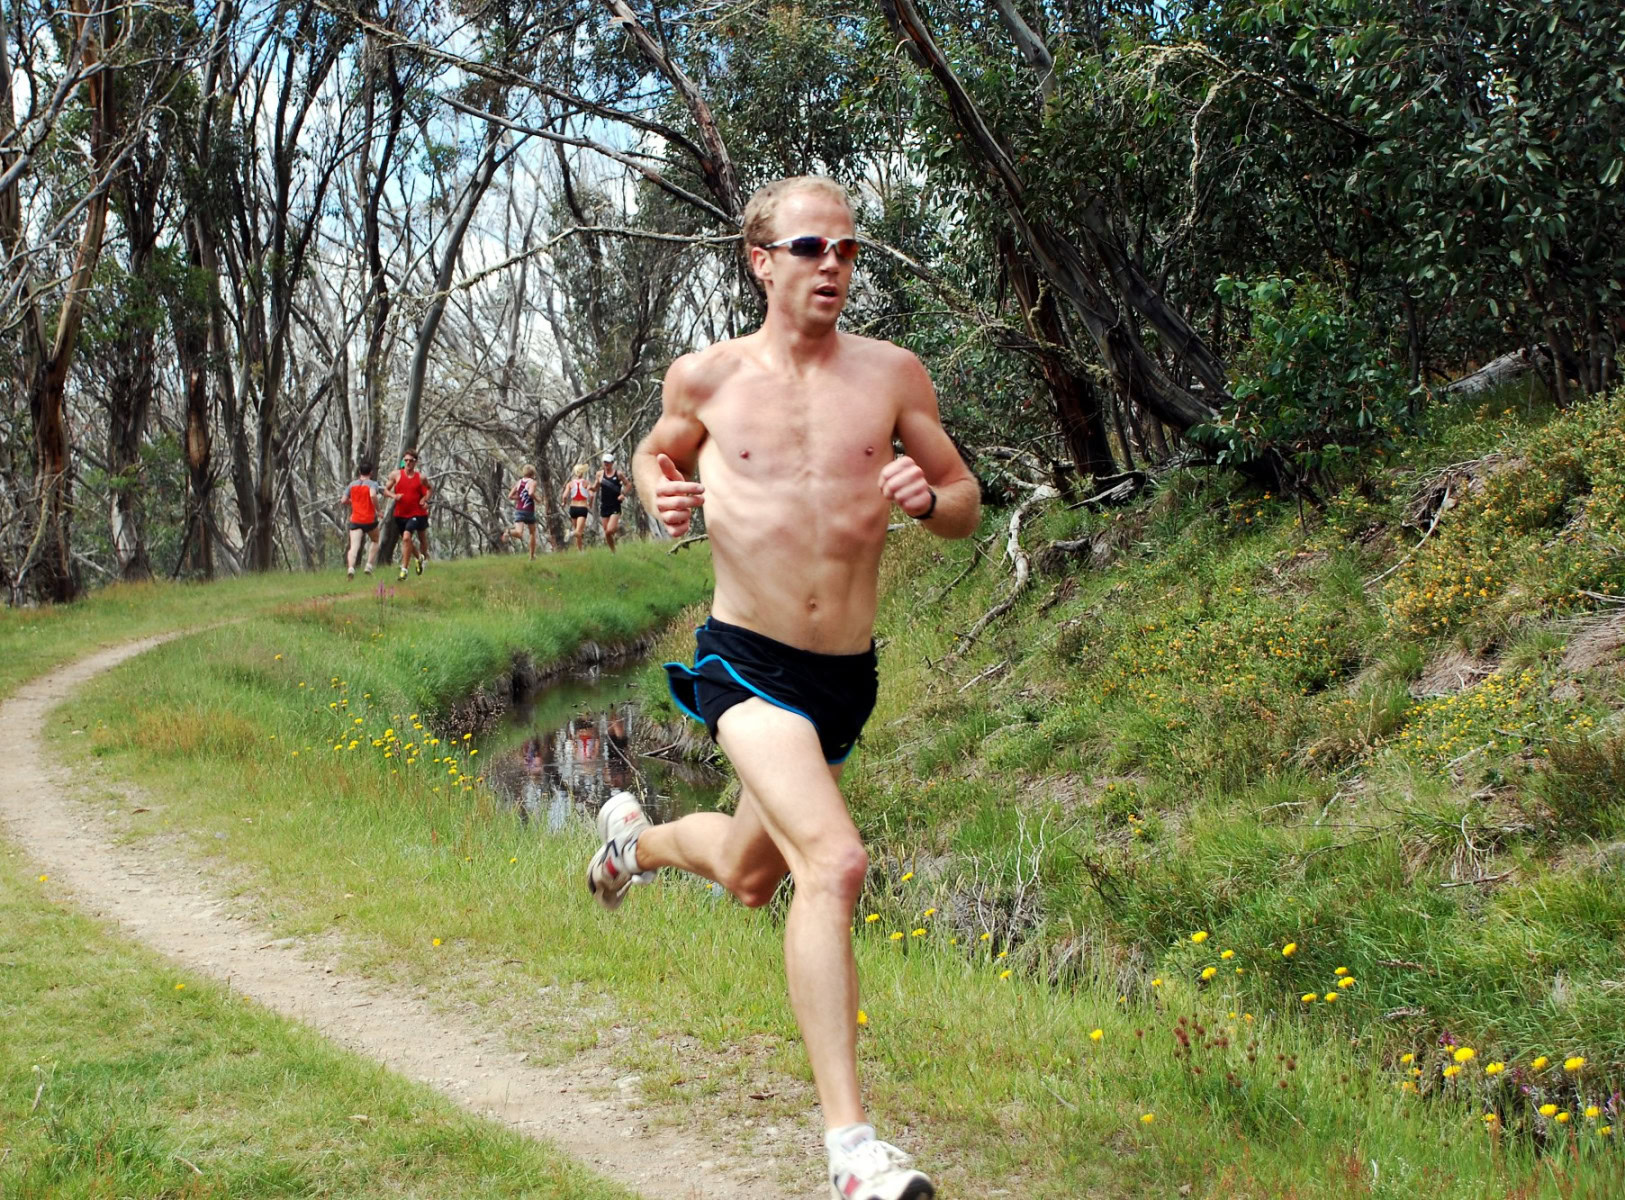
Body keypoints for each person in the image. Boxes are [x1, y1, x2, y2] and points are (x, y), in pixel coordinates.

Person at [585, 175, 978, 1200]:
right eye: (812, 249)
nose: (835, 267)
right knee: (834, 864)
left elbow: (964, 503)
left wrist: (927, 496)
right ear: (760, 261)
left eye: (849, 252)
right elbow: (654, 453)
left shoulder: (893, 375)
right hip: (743, 662)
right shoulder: (706, 378)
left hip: (844, 678)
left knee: (754, 875)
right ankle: (850, 1152)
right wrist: (655, 487)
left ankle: (629, 842)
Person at [387, 448, 433, 579]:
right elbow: (385, 490)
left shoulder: (421, 478)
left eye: (411, 461)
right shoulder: (396, 475)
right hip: (400, 514)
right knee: (407, 541)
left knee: (412, 537)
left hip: (417, 513)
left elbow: (429, 489)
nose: (408, 463)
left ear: (415, 462)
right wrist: (394, 496)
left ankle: (404, 570)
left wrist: (425, 500)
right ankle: (419, 558)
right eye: (405, 460)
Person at [341, 462, 384, 579]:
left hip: (356, 520)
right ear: (371, 472)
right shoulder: (372, 484)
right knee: (375, 540)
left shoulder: (352, 485)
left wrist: (353, 503)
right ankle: (369, 565)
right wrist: (378, 510)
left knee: (354, 546)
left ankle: (351, 568)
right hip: (369, 519)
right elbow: (373, 495)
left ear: (359, 472)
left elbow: (343, 500)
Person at [593, 451, 626, 552]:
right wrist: (590, 488)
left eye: (608, 462)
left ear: (612, 463)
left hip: (615, 505)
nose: (606, 464)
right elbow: (595, 487)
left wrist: (623, 494)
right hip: (604, 506)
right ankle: (613, 552)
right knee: (606, 532)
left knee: (608, 531)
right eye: (604, 462)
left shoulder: (618, 474)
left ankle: (617, 527)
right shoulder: (599, 474)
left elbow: (628, 484)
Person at [507, 464, 540, 560]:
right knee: (532, 533)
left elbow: (510, 496)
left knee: (519, 533)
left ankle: (508, 532)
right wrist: (537, 499)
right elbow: (530, 493)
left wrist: (518, 497)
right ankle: (531, 556)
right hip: (529, 510)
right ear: (533, 473)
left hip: (519, 510)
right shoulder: (533, 482)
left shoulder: (519, 482)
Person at [562, 463, 593, 551]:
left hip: (573, 508)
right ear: (583, 472)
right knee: (578, 531)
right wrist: (590, 504)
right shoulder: (586, 483)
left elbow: (564, 496)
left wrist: (563, 503)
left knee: (578, 531)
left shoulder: (570, 484)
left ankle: (580, 551)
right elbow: (592, 495)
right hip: (582, 508)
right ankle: (570, 533)